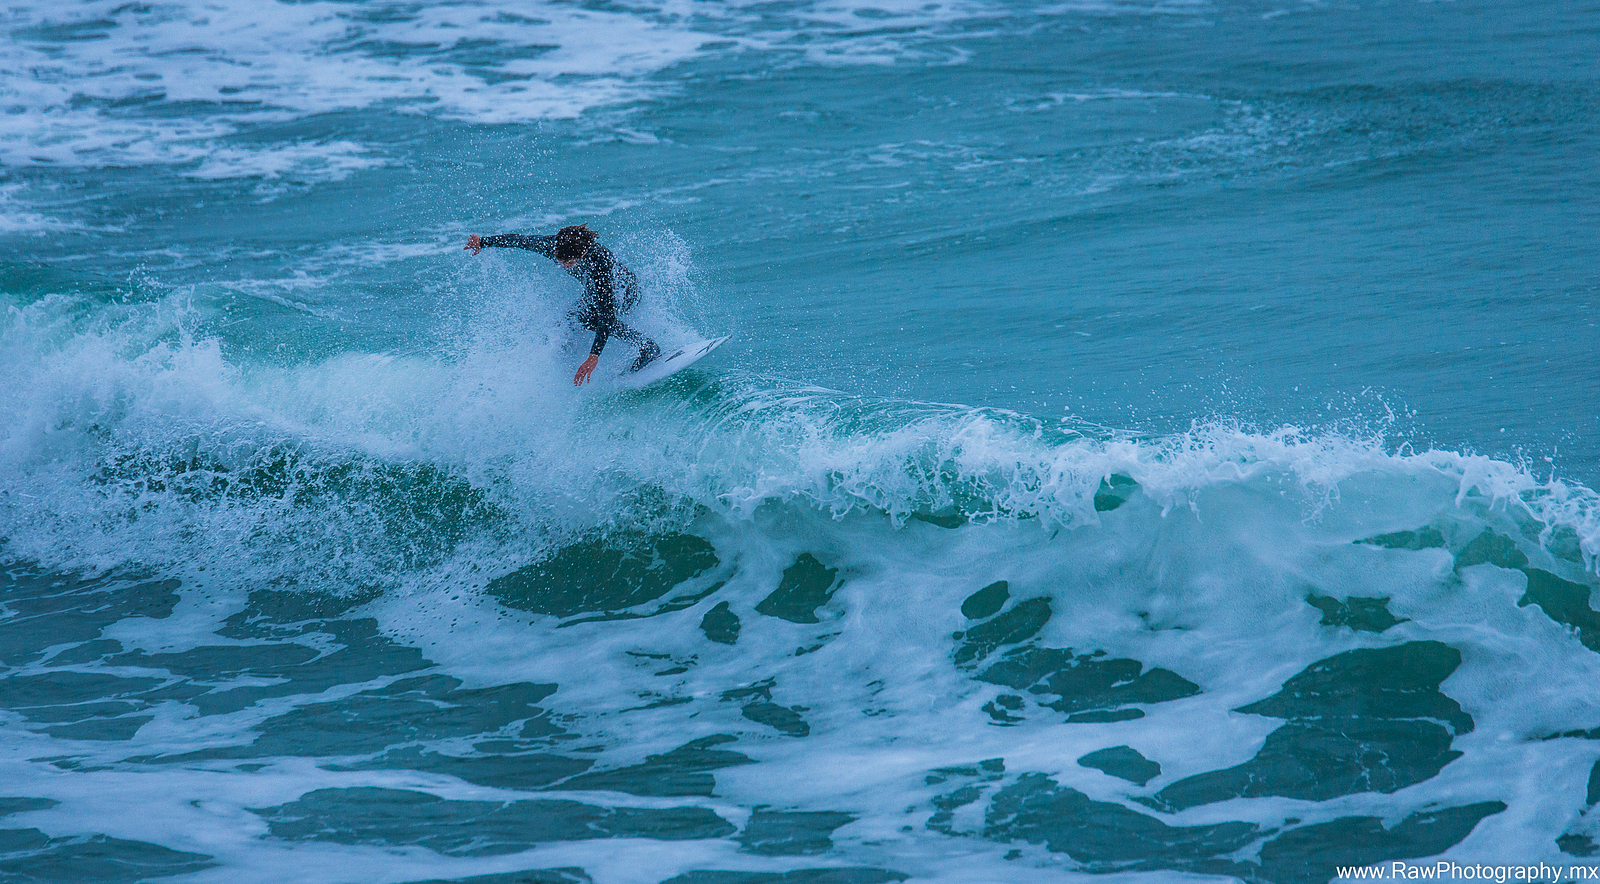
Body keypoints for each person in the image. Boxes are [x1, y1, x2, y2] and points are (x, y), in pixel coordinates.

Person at [465, 224, 660, 385]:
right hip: (594, 292)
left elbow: (607, 315)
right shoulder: (553, 245)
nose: (561, 263)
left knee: (592, 318)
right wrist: (483, 241)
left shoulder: (599, 262)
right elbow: (520, 241)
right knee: (569, 321)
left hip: (624, 291)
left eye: (567, 261)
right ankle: (564, 363)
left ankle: (646, 346)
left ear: (582, 254)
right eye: (559, 258)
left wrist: (594, 355)